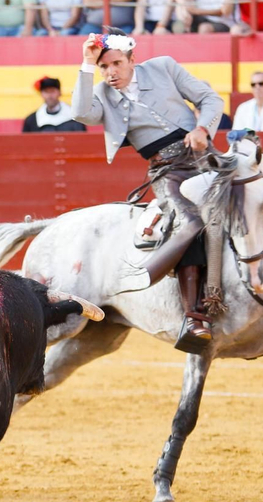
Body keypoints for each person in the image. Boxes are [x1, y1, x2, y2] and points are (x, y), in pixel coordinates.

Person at [73, 31, 225, 350]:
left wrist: (202, 128)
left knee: (250, 200)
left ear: (133, 59)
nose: (111, 72)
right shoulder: (100, 93)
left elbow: (210, 99)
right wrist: (86, 65)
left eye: (116, 63)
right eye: (104, 67)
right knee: (191, 222)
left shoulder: (164, 68)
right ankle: (193, 316)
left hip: (203, 156)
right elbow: (80, 113)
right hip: (166, 171)